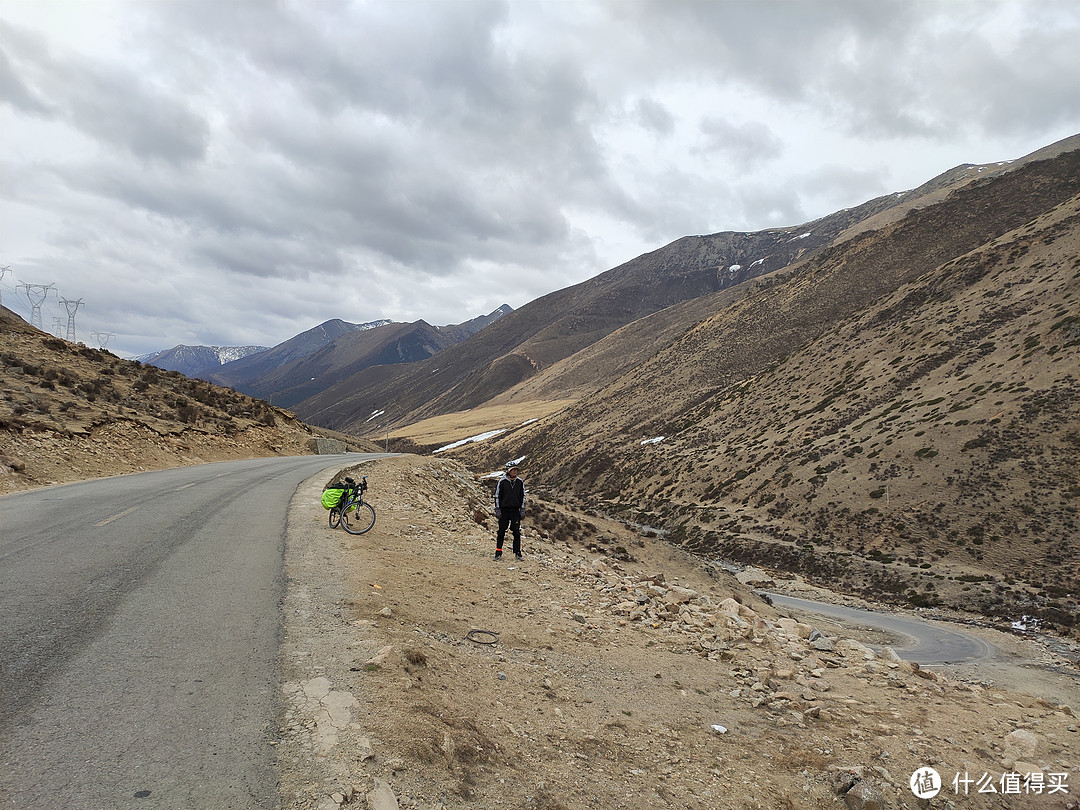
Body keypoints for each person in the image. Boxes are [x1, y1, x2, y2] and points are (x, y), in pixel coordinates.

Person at [494, 461, 526, 560]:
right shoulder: (502, 482)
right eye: (513, 470)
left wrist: (522, 509)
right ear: (508, 471)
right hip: (504, 510)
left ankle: (518, 552)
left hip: (515, 510)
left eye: (516, 470)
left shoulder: (520, 482)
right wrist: (498, 509)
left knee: (516, 532)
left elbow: (523, 496)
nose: (515, 472)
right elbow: (497, 496)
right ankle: (498, 552)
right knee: (501, 532)